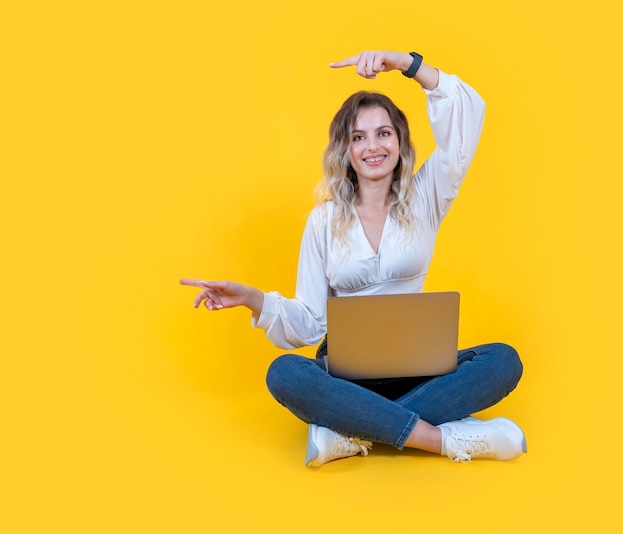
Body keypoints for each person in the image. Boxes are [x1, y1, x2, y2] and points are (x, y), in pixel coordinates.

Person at [181, 50, 526, 467]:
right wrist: (253, 298)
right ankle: (442, 439)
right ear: (345, 150)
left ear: (400, 140)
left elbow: (465, 121)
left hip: (418, 371)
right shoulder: (323, 221)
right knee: (285, 372)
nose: (373, 146)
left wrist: (406, 65)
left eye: (384, 133)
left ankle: (352, 431)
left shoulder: (426, 197)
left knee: (503, 360)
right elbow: (309, 320)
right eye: (358, 137)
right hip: (346, 377)